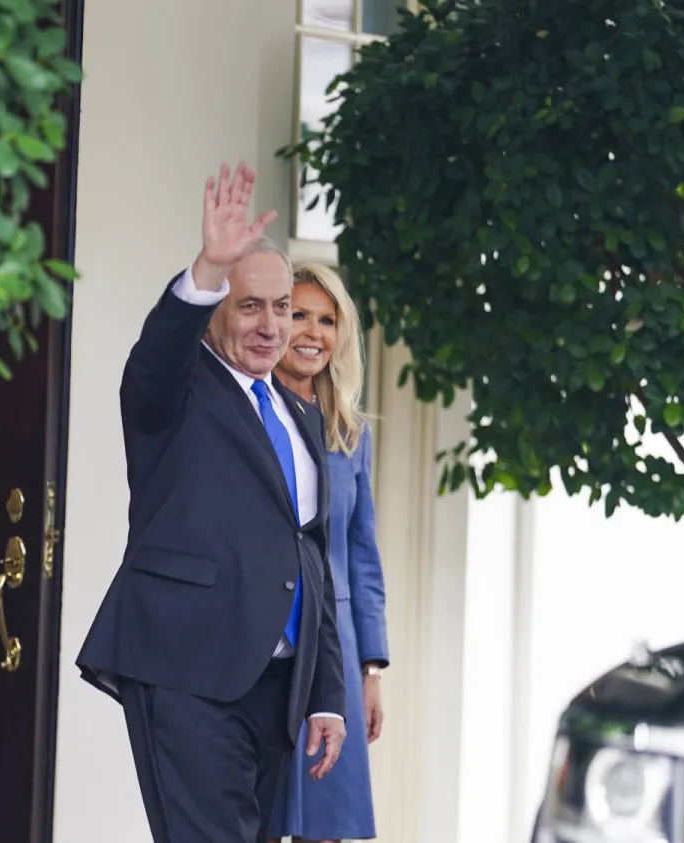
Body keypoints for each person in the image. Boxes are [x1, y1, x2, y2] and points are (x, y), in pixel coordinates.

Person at [75, 160, 349, 843]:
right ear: (217, 310)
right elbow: (155, 358)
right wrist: (205, 269)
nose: (270, 325)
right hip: (189, 672)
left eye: (280, 306)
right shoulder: (178, 389)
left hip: (277, 689)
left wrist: (326, 694)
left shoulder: (298, 412)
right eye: (248, 305)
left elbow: (311, 553)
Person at [267, 263, 389, 843]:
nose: (312, 331)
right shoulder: (248, 414)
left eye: (327, 319)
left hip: (334, 654)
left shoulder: (352, 434)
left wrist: (371, 669)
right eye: (298, 314)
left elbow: (362, 556)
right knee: (256, 817)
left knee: (326, 825)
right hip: (263, 645)